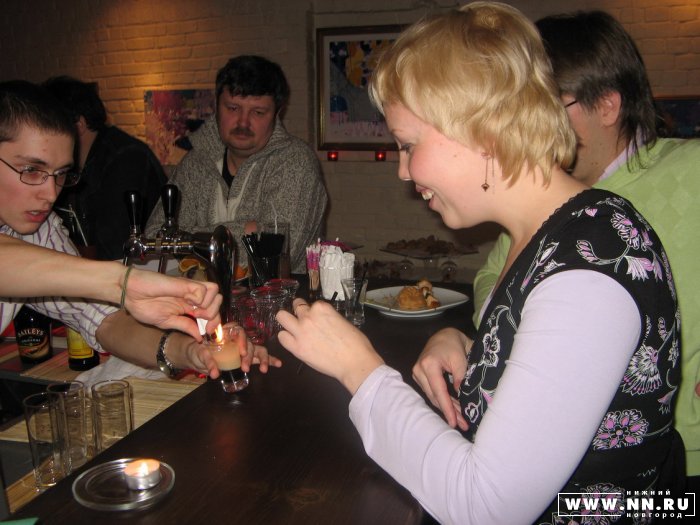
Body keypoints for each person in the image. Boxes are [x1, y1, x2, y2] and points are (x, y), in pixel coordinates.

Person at [276, 3, 683, 523]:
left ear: (485, 131)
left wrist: (359, 368)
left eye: (409, 145)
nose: (403, 171)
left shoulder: (587, 270)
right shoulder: (552, 232)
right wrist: (472, 346)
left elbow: (486, 507)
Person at [472, 10, 700, 490]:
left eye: (547, 107)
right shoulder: (543, 190)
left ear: (608, 106)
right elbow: (491, 279)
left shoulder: (691, 170)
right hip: (561, 463)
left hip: (678, 460)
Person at [0, 80, 279, 384]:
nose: (51, 193)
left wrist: (192, 351)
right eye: (31, 170)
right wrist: (123, 282)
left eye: (60, 174)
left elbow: (106, 321)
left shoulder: (38, 231)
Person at [145, 55, 328, 274]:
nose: (243, 122)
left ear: (277, 114)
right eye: (233, 108)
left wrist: (186, 238)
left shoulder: (296, 163)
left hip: (278, 296)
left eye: (258, 112)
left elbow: (277, 252)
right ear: (216, 105)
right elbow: (153, 240)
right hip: (195, 293)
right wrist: (249, 230)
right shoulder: (195, 163)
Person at [43, 76, 167, 261]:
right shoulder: (81, 164)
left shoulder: (124, 158)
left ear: (79, 124)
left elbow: (115, 248)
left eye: (50, 124)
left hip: (139, 270)